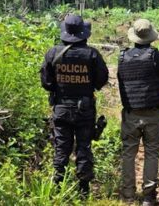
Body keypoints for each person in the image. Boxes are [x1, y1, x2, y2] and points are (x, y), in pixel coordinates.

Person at [40, 14, 109, 197]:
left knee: (61, 147)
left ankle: (57, 187)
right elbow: (101, 80)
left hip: (61, 108)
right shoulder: (92, 54)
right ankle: (84, 189)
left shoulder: (53, 53)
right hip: (84, 110)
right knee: (84, 146)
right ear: (83, 33)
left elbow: (46, 83)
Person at [117, 19, 159, 206]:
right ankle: (148, 196)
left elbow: (121, 81)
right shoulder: (157, 56)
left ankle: (128, 195)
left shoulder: (122, 57)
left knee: (128, 153)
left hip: (131, 113)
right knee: (152, 153)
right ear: (150, 37)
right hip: (153, 113)